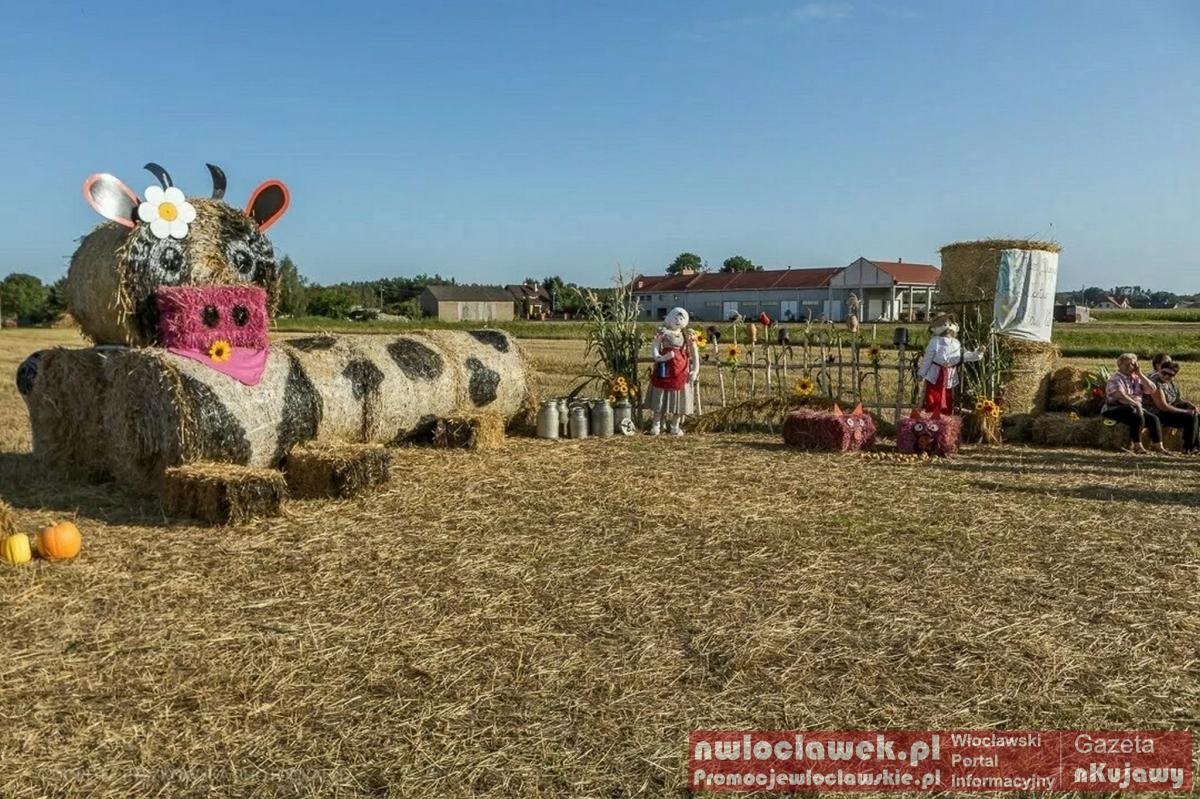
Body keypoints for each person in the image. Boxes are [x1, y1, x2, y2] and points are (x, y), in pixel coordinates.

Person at [1101, 353, 1169, 454]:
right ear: (1119, 366)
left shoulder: (1136, 378)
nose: (1130, 367)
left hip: (1134, 408)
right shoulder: (1115, 379)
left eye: (1132, 364)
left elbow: (1152, 389)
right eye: (1126, 364)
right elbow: (1120, 395)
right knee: (1135, 414)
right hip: (1114, 408)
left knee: (1153, 419)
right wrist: (1136, 404)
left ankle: (1159, 446)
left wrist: (1140, 374)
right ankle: (1137, 446)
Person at [645, 307, 699, 436]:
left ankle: (675, 425)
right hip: (664, 367)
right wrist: (659, 357)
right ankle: (656, 424)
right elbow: (655, 347)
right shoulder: (663, 333)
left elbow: (694, 352)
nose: (678, 320)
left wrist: (695, 370)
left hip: (681, 369)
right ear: (669, 318)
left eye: (681, 318)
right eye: (675, 317)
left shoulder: (687, 335)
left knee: (679, 396)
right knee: (660, 393)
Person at [917, 314, 985, 415]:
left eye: (950, 324)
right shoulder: (935, 342)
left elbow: (965, 356)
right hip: (935, 375)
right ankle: (932, 418)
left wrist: (978, 352)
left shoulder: (956, 343)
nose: (948, 327)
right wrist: (921, 373)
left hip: (950, 375)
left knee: (948, 398)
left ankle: (945, 419)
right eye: (945, 325)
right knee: (932, 398)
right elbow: (927, 359)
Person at [1148, 359, 1199, 453]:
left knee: (1196, 415)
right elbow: (1163, 406)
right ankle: (1188, 448)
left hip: (1168, 410)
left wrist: (1190, 405)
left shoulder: (1170, 383)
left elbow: (1178, 400)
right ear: (1159, 370)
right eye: (1164, 373)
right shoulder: (1155, 383)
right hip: (1156, 412)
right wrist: (1186, 411)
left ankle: (1195, 447)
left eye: (1171, 375)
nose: (1166, 376)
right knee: (1190, 417)